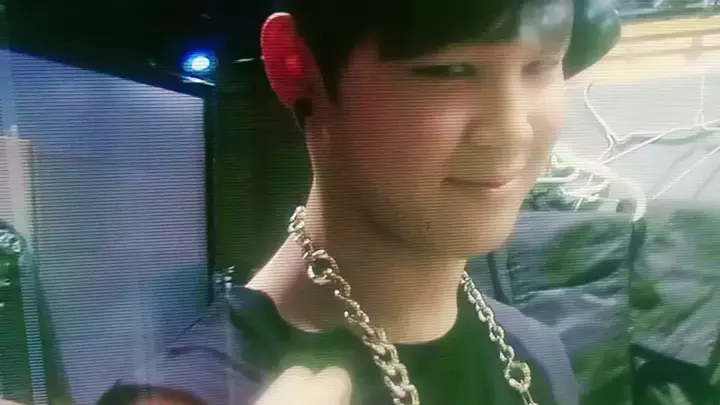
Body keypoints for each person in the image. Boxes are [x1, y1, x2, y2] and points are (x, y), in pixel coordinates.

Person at [98, 0, 620, 404]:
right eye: (447, 71)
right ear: (298, 68)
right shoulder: (188, 393)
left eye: (541, 66)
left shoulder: (535, 352)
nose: (512, 131)